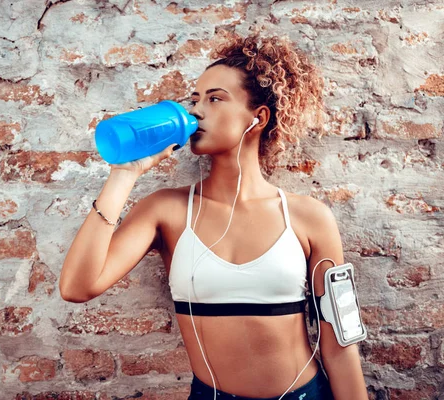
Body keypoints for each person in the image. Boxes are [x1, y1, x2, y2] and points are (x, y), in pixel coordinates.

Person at [59, 31, 368, 400]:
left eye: (215, 99)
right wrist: (124, 174)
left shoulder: (310, 218)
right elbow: (77, 287)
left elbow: (340, 345)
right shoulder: (167, 210)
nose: (196, 110)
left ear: (258, 118)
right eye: (194, 99)